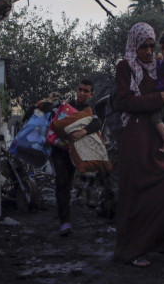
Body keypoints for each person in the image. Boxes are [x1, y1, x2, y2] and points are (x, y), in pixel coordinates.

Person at [113, 22, 164, 268]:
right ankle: (132, 249)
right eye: (142, 46)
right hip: (137, 137)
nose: (148, 51)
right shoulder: (125, 67)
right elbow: (125, 102)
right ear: (134, 46)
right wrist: (159, 98)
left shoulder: (160, 66)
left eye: (150, 45)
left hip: (161, 136)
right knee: (140, 195)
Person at [43, 80, 102, 237]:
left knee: (68, 181)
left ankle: (65, 212)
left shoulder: (89, 110)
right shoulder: (64, 106)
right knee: (62, 181)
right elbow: (47, 111)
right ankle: (64, 221)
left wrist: (82, 132)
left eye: (86, 91)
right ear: (76, 90)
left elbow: (97, 123)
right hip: (59, 150)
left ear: (91, 94)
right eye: (80, 89)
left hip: (75, 151)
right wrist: (48, 101)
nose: (82, 93)